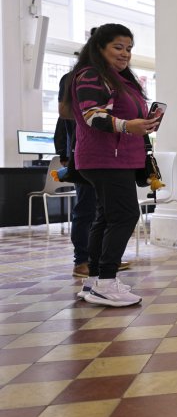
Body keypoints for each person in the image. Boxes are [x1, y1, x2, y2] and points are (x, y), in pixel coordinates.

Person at [64, 23, 160, 307]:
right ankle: (106, 282)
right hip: (105, 157)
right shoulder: (92, 75)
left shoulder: (120, 79)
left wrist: (143, 124)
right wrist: (129, 125)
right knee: (125, 215)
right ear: (99, 47)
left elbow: (121, 115)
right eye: (118, 47)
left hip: (117, 157)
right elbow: (93, 115)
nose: (125, 53)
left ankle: (94, 281)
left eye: (129, 48)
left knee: (106, 217)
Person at [54, 73, 97, 279]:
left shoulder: (109, 79)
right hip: (82, 157)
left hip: (104, 157)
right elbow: (63, 121)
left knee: (101, 211)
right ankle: (81, 261)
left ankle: (99, 258)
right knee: (85, 209)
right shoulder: (73, 78)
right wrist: (64, 154)